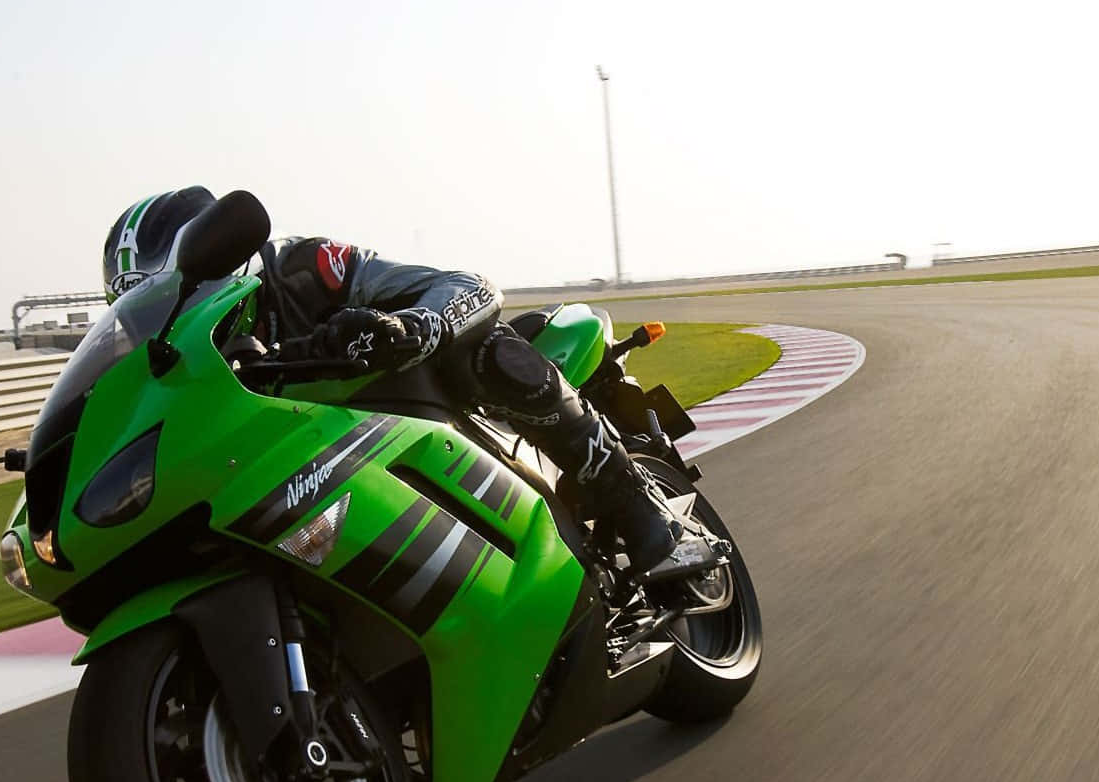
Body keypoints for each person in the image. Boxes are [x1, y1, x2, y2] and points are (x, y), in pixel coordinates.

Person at [101, 186, 690, 572]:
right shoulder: (187, 376)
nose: (176, 317)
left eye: (178, 293)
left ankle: (643, 514)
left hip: (429, 410)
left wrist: (411, 328)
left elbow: (466, 287)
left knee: (486, 350)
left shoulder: (304, 268)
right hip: (329, 472)